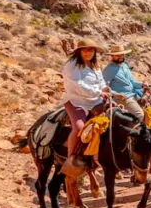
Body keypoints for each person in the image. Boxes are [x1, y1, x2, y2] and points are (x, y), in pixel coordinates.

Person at [61, 39, 109, 172]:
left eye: (91, 50)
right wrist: (99, 92)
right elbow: (77, 85)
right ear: (79, 51)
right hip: (76, 101)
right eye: (85, 49)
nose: (88, 52)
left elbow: (101, 82)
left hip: (96, 100)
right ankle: (71, 159)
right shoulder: (72, 65)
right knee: (79, 128)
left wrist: (105, 89)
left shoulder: (95, 66)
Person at [103, 44, 146, 122]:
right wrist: (115, 94)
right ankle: (135, 133)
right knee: (140, 115)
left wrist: (142, 85)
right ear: (112, 56)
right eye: (117, 55)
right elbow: (104, 87)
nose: (120, 56)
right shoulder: (108, 70)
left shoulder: (124, 66)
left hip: (133, 94)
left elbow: (132, 82)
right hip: (123, 98)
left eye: (122, 54)